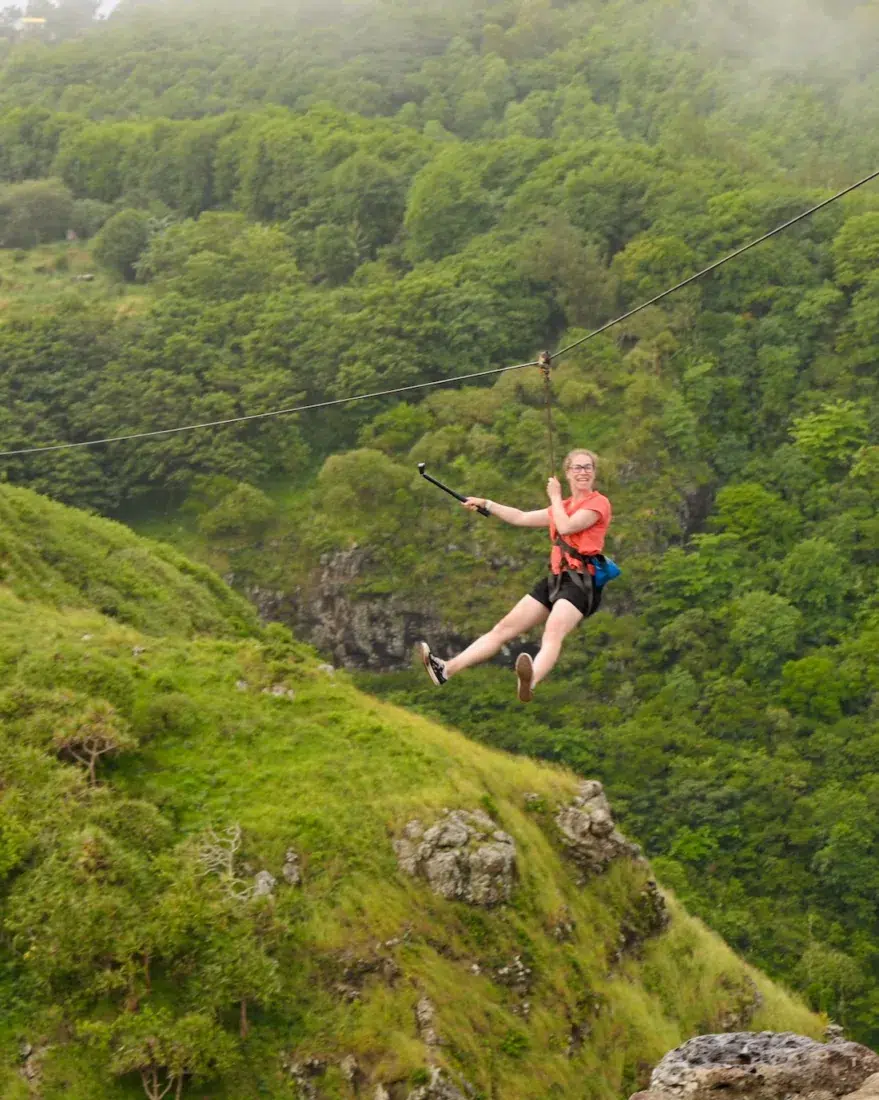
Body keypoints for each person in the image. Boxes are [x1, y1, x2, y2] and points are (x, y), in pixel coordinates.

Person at [417, 449, 612, 703]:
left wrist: (554, 496)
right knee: (502, 629)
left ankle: (531, 682)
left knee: (553, 632)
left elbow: (566, 526)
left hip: (581, 584)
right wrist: (486, 504)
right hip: (555, 579)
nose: (583, 472)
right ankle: (446, 669)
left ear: (594, 473)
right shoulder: (561, 507)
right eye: (577, 467)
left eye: (588, 467)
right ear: (568, 473)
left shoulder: (598, 504)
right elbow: (521, 517)